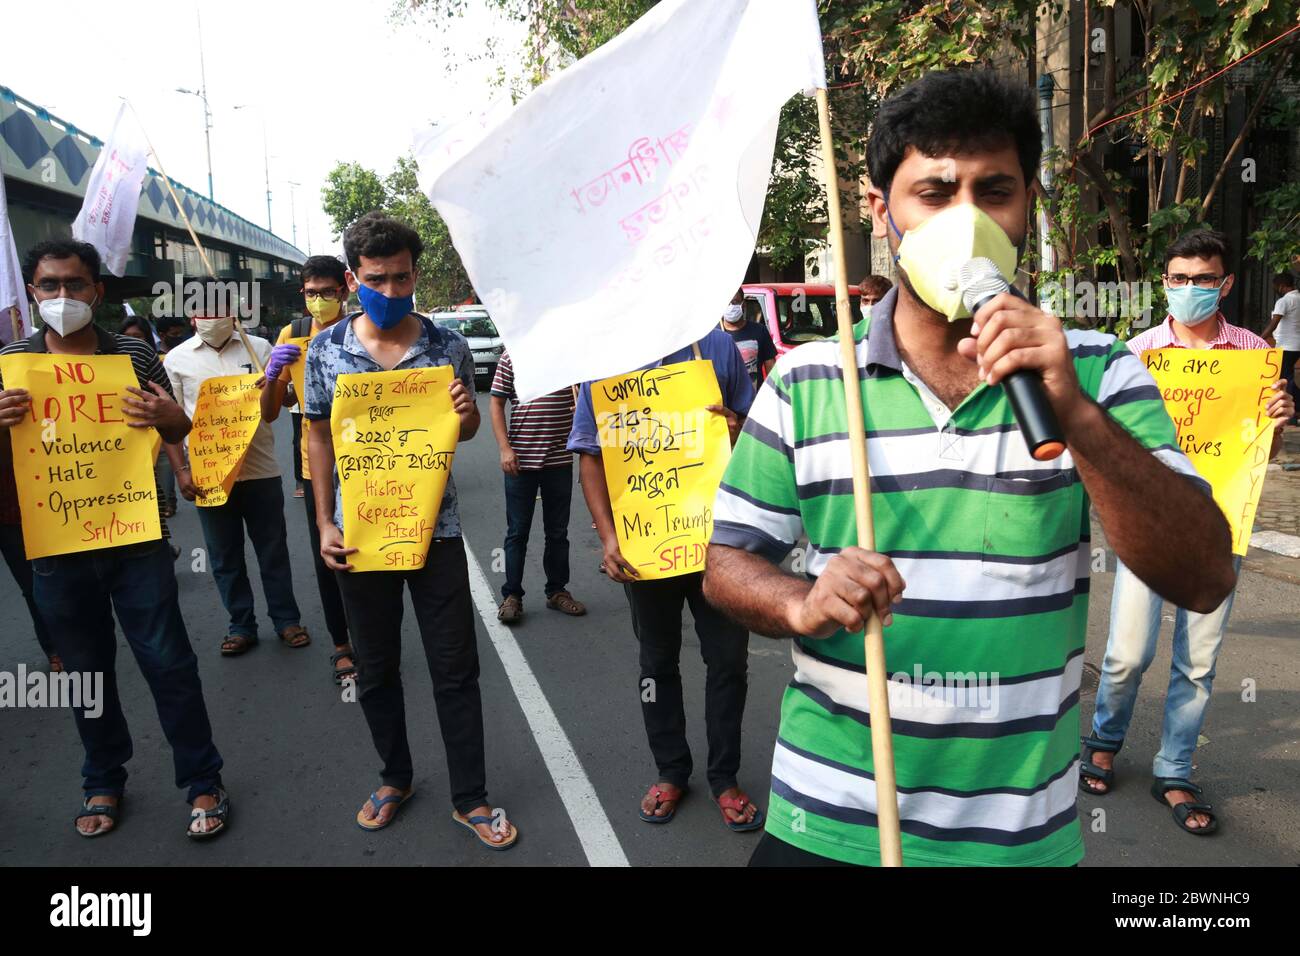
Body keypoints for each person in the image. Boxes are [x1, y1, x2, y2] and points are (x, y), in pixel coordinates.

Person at [700, 70, 1236, 867]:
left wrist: (1078, 419)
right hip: (833, 816)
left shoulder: (1099, 372)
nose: (968, 220)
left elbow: (1202, 575)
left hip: (1017, 840)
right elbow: (726, 566)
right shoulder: (810, 380)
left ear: (1029, 204)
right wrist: (802, 599)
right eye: (935, 192)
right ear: (882, 211)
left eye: (995, 191)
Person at [0, 238, 229, 838]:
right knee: (85, 672)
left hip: (135, 539)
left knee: (169, 662)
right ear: (32, 291)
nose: (63, 297)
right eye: (50, 285)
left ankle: (202, 782)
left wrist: (164, 419)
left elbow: (181, 423)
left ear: (96, 291)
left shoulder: (133, 356)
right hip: (55, 545)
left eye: (75, 285)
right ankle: (103, 780)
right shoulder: (11, 362)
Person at [304, 212, 517, 848]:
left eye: (402, 278)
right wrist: (321, 520)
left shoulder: (446, 347)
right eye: (377, 279)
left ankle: (470, 797)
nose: (392, 291)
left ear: (416, 274)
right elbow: (314, 435)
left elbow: (470, 430)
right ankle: (395, 776)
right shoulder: (325, 351)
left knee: (455, 668)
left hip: (437, 533)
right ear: (352, 279)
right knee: (376, 667)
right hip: (359, 535)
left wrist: (467, 414)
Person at [1081, 230, 1294, 835]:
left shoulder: (1254, 352)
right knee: (1126, 653)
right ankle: (1104, 739)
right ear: (1164, 283)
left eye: (1204, 279)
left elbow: (1262, 451)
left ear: (1225, 283)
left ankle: (1174, 770)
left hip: (1222, 523)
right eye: (1179, 279)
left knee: (1197, 661)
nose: (1191, 289)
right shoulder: (1137, 353)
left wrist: (1278, 420)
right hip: (1148, 522)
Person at [568, 327, 762, 831]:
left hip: (719, 547)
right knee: (656, 664)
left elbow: (759, 434)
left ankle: (725, 776)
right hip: (646, 547)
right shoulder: (603, 359)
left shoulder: (716, 348)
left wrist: (737, 426)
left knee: (728, 662)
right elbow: (590, 455)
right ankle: (671, 770)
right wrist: (609, 538)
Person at [164, 286, 309, 656]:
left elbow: (284, 402)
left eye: (220, 307)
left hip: (260, 468)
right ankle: (241, 625)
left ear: (234, 312)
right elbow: (172, 422)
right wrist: (181, 471)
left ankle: (286, 620)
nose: (213, 316)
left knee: (272, 551)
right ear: (192, 315)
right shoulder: (176, 360)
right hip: (210, 474)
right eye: (203, 309)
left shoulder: (259, 348)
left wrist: (275, 380)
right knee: (224, 557)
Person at [260, 255, 356, 683]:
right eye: (312, 293)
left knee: (366, 553)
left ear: (345, 290)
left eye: (328, 292)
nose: (319, 301)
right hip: (315, 465)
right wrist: (272, 376)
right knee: (329, 556)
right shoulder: (291, 336)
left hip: (366, 463)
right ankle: (342, 646)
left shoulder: (361, 331)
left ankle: (373, 637)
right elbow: (271, 412)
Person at [489, 347, 585, 624]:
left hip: (559, 459)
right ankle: (512, 596)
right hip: (520, 460)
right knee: (517, 532)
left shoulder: (570, 358)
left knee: (558, 532)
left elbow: (585, 396)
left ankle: (557, 591)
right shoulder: (512, 357)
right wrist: (504, 448)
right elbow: (496, 403)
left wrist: (581, 409)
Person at [0, 431, 58, 670]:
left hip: (24, 503)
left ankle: (57, 646)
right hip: (9, 509)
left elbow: (50, 434)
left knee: (38, 581)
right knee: (32, 583)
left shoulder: (17, 394)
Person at [718, 288, 777, 387]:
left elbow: (772, 370)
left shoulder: (759, 331)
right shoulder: (713, 335)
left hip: (754, 400)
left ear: (743, 304)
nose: (731, 306)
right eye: (727, 303)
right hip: (725, 401)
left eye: (735, 302)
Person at [1262, 271, 1299, 425]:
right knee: (1290, 377)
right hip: (1297, 345)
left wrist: (1260, 338)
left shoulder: (1283, 301)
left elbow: (1274, 323)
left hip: (1286, 345)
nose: (1275, 290)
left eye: (1276, 287)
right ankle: (1295, 410)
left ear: (1281, 286)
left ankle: (1290, 414)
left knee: (1284, 379)